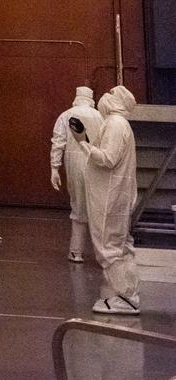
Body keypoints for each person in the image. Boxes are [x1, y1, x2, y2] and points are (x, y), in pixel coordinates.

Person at [71, 84, 140, 315]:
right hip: (116, 195)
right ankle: (126, 293)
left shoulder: (115, 124)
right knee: (121, 246)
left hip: (110, 197)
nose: (105, 97)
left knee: (110, 247)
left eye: (111, 94)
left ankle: (126, 299)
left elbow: (108, 159)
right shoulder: (119, 124)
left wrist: (82, 142)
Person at [50, 85, 104, 261]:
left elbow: (58, 142)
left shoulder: (66, 115)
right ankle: (102, 253)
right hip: (96, 162)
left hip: (74, 162)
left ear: (76, 97)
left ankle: (76, 251)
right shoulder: (100, 116)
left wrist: (54, 168)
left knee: (78, 205)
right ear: (91, 98)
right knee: (97, 206)